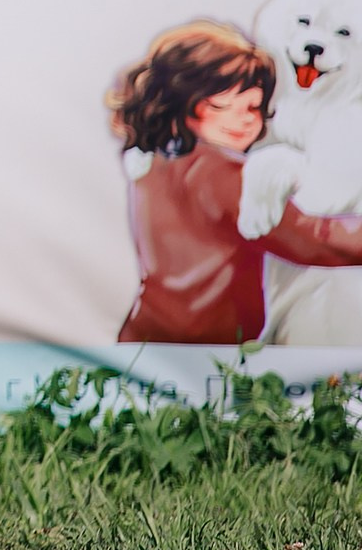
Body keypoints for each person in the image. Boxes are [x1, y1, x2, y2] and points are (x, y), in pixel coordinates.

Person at [108, 19, 362, 343]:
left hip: (145, 339)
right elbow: (313, 240)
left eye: (253, 108)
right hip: (204, 352)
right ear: (183, 102)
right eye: (222, 105)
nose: (243, 119)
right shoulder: (220, 174)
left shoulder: (153, 161)